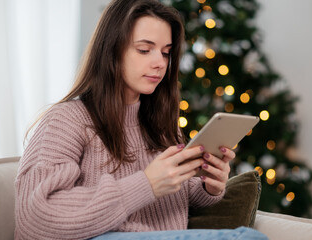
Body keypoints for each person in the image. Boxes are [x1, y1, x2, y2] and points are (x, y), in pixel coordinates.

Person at [15, 0, 268, 239]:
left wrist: (208, 186)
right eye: (144, 50)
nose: (160, 63)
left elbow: (170, 200)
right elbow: (35, 216)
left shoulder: (159, 123)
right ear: (111, 51)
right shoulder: (66, 120)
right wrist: (146, 184)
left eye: (166, 53)